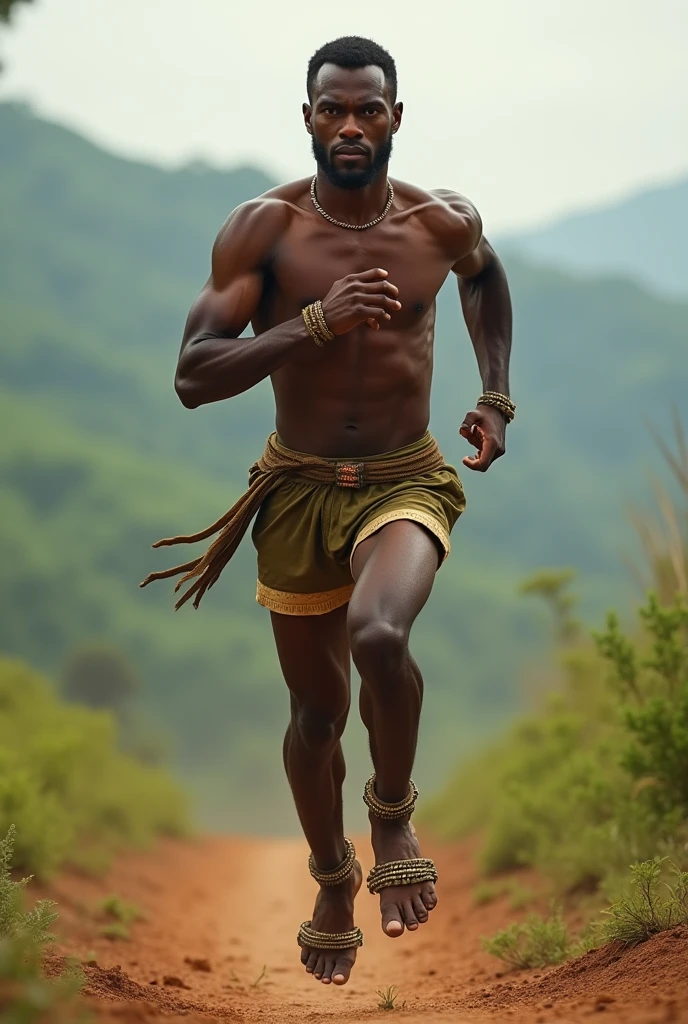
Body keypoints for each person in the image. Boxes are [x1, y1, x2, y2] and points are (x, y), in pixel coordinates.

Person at [141, 35, 513, 988]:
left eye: (369, 110)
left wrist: (495, 393)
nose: (351, 125)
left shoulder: (441, 221)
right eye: (332, 109)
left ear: (396, 118)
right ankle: (331, 876)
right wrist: (311, 324)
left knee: (381, 634)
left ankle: (391, 811)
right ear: (306, 117)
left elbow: (486, 276)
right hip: (299, 488)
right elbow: (192, 376)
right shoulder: (262, 232)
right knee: (316, 714)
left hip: (405, 478)